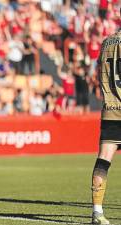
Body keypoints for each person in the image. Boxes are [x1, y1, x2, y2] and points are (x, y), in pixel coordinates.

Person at [90, 8, 121, 225]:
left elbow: (99, 72)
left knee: (103, 161)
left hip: (110, 108)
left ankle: (97, 212)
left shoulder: (106, 42)